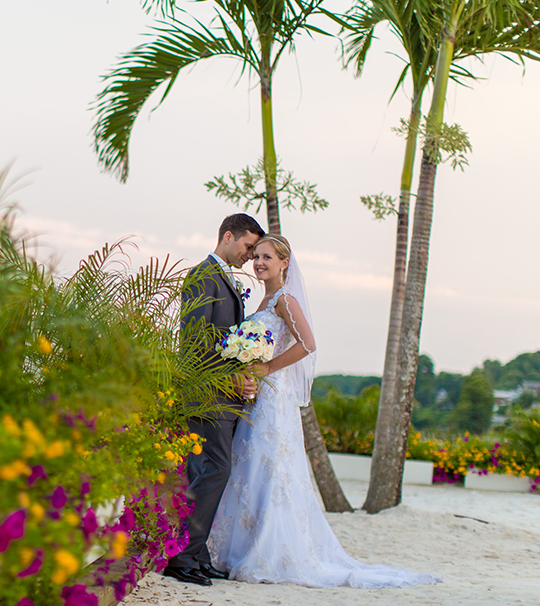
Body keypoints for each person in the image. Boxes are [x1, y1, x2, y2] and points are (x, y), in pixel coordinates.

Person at [206, 234, 440, 588]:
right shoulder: (263, 299)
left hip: (275, 397)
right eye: (256, 257)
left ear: (285, 263)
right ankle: (239, 547)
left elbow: (308, 344)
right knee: (250, 467)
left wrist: (267, 369)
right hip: (257, 398)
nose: (259, 263)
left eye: (267, 257)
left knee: (272, 469)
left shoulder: (285, 299)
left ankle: (269, 552)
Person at [163, 213, 264, 586]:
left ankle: (197, 551)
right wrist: (231, 375)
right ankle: (183, 555)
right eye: (247, 246)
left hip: (222, 397)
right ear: (227, 236)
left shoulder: (225, 279)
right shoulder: (203, 276)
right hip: (207, 395)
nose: (250, 256)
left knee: (208, 470)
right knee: (214, 470)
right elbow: (193, 342)